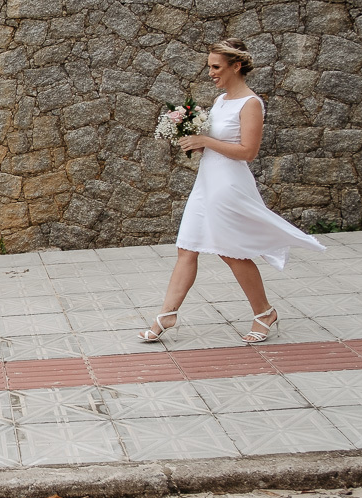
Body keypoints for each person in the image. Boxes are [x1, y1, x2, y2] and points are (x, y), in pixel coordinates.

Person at [139, 39, 325, 344]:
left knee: (231, 252)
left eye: (216, 67)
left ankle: (264, 312)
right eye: (209, 66)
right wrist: (195, 142)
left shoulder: (251, 103)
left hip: (228, 185)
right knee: (187, 247)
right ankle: (166, 314)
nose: (210, 72)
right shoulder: (221, 100)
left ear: (236, 66)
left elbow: (248, 152)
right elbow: (218, 143)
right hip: (206, 182)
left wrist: (205, 140)